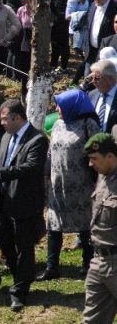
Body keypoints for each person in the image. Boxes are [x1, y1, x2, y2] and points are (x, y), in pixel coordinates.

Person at [0, 99, 48, 311]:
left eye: (4, 119)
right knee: (6, 244)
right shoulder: (6, 136)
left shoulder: (37, 139)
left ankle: (20, 291)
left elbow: (30, 168)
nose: (1, 123)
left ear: (17, 118)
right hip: (3, 202)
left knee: (23, 248)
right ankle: (20, 277)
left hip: (24, 204)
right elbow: (3, 162)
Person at [36, 89, 99, 282]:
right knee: (53, 225)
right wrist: (45, 174)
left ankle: (88, 264)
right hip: (57, 184)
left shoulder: (89, 124)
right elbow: (50, 153)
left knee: (85, 225)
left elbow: (97, 151)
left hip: (82, 185)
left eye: (60, 105)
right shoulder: (57, 125)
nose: (57, 109)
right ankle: (51, 266)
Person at [83, 133, 117, 323]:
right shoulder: (104, 177)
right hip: (98, 261)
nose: (90, 164)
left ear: (110, 157)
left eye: (94, 159)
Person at [66, 0, 95, 85]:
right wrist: (84, 14)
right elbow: (68, 15)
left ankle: (80, 82)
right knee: (86, 59)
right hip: (77, 32)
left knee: (89, 59)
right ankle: (76, 82)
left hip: (90, 31)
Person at [50, 0, 77, 75]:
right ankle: (53, 64)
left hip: (64, 12)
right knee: (54, 39)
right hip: (55, 11)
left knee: (63, 40)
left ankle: (64, 66)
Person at [85, 0, 117, 77]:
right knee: (88, 78)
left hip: (107, 54)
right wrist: (85, 46)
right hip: (91, 52)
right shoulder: (92, 6)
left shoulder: (115, 8)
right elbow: (88, 27)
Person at [88, 59, 117, 132]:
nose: (93, 81)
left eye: (97, 78)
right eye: (92, 78)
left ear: (110, 79)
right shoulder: (92, 94)